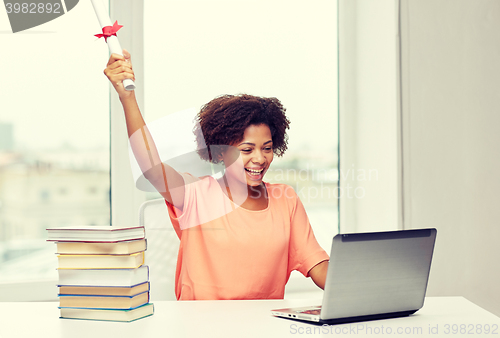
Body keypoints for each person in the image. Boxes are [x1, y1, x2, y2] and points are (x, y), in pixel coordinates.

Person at [104, 50, 329, 300]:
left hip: (265, 328)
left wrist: (361, 285)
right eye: (246, 150)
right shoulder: (195, 195)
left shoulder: (285, 199)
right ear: (221, 153)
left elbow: (316, 263)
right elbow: (151, 167)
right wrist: (128, 98)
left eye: (267, 148)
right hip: (201, 328)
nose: (260, 158)